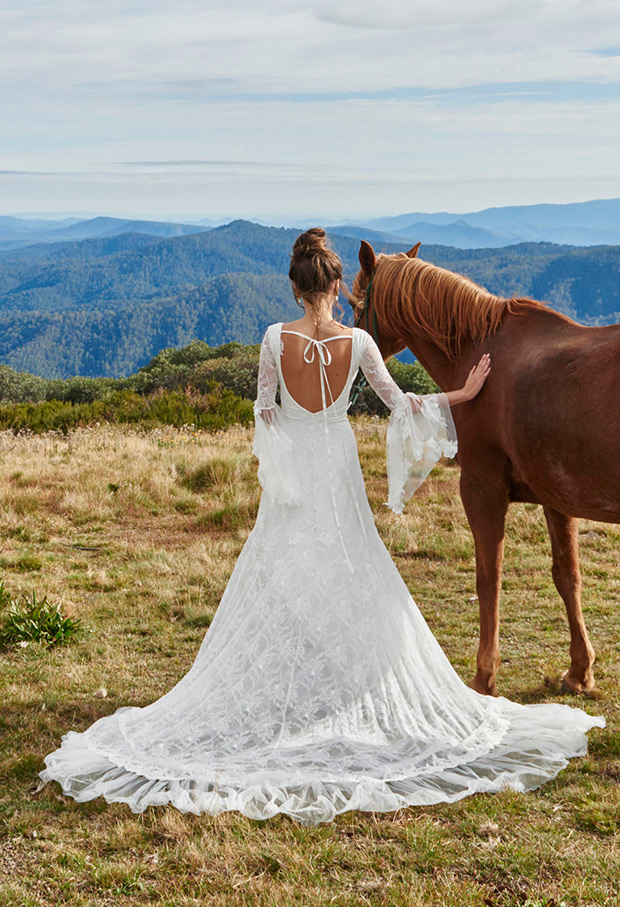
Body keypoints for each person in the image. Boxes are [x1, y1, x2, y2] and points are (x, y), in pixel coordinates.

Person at [40, 228, 604, 826]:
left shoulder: (271, 339)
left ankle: (292, 679)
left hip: (297, 473)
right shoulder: (359, 341)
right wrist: (463, 392)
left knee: (281, 567)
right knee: (352, 566)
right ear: (338, 285)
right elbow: (401, 403)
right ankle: (346, 686)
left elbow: (264, 413)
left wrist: (281, 461)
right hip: (337, 468)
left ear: (292, 288)